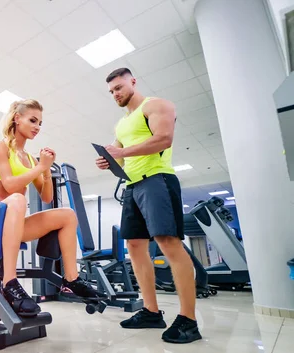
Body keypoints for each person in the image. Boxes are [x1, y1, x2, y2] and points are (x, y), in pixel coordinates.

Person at [96, 68, 202, 344]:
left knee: (168, 242)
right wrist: (109, 161)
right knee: (134, 245)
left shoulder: (156, 105)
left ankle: (189, 320)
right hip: (132, 185)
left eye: (119, 87)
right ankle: (151, 311)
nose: (115, 94)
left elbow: (163, 139)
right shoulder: (121, 125)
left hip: (157, 179)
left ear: (133, 82)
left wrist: (120, 152)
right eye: (111, 92)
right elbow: (119, 158)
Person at [0, 99, 99, 317]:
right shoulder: (0, 147)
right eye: (32, 120)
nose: (37, 127)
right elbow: (11, 185)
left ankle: (71, 279)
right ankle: (9, 282)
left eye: (40, 123)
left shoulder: (31, 159)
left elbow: (47, 197)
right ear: (16, 118)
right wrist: (41, 166)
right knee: (17, 199)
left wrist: (46, 171)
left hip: (14, 223)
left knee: (67, 215)